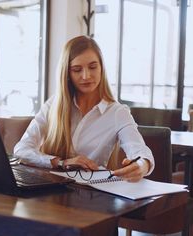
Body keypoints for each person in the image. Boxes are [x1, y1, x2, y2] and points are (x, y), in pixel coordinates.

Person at [14, 35, 154, 182]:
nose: (86, 76)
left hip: (91, 193)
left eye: (93, 67)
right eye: (77, 69)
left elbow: (140, 151)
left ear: (101, 68)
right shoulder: (53, 105)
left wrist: (141, 165)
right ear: (67, 74)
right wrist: (61, 162)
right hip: (50, 188)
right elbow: (21, 150)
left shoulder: (117, 112)